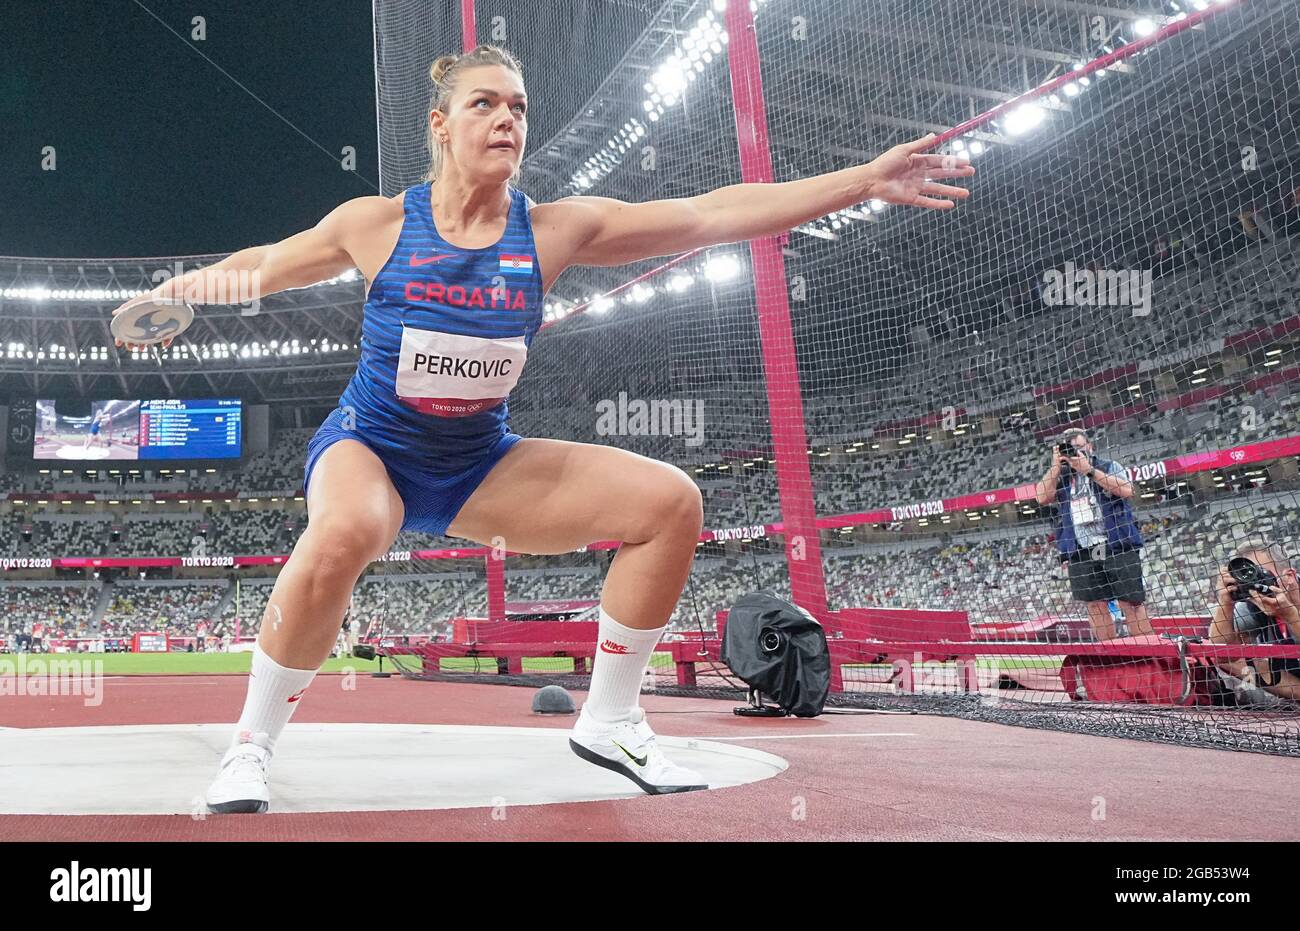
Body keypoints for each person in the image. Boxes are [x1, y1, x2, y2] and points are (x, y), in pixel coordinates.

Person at [112, 44, 974, 813]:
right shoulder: (376, 224)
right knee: (345, 530)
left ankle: (611, 720)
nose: (507, 120)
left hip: (479, 464)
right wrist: (180, 294)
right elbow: (267, 265)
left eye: (519, 108)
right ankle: (251, 745)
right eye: (485, 104)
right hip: (368, 447)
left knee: (669, 503)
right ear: (441, 124)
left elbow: (711, 212)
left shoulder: (556, 229)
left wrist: (862, 180)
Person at [1035, 428, 1155, 641]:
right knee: (1095, 605)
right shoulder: (1062, 477)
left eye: (1079, 447)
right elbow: (1041, 497)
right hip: (1081, 549)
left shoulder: (1108, 466)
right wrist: (1055, 466)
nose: (1075, 452)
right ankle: (1110, 654)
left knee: (1131, 601)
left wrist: (1088, 470)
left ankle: (1149, 653)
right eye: (1070, 449)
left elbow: (1127, 490)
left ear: (1090, 446)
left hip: (1116, 544)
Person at [1207, 541, 1300, 702]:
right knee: (1235, 659)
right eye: (1248, 576)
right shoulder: (1252, 604)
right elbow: (1222, 656)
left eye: (1261, 574)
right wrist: (1226, 603)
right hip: (1291, 677)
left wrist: (1290, 616)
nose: (1255, 582)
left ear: (1289, 576)